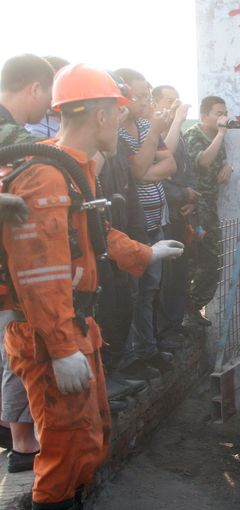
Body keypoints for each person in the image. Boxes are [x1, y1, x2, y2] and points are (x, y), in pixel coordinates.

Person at [2, 63, 184, 510]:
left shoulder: (69, 168)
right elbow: (39, 277)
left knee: (88, 440)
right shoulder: (47, 175)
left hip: (72, 326)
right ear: (102, 115)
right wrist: (63, 349)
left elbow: (95, 233)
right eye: (119, 114)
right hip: (50, 334)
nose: (123, 123)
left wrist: (145, 253)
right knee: (64, 451)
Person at [0, 53, 54, 472]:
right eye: (48, 93)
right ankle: (21, 441)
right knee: (15, 349)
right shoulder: (8, 134)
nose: (50, 105)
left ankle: (11, 429)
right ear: (34, 87)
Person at [113, 68, 177, 380]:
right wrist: (151, 144)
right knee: (132, 293)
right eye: (137, 96)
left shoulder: (144, 125)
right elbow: (136, 171)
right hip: (132, 227)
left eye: (145, 96)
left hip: (156, 221)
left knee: (151, 289)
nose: (142, 102)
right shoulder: (116, 133)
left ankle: (148, 348)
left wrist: (147, 166)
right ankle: (129, 358)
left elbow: (170, 164)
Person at [152, 85, 198, 348]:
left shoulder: (177, 135)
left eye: (176, 100)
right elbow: (153, 176)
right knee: (163, 275)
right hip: (161, 213)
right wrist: (182, 194)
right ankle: (161, 332)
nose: (174, 106)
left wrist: (191, 199)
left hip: (179, 214)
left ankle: (174, 324)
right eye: (168, 101)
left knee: (180, 270)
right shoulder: (153, 134)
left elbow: (187, 170)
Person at [183, 95, 234, 327]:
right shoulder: (194, 135)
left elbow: (216, 161)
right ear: (204, 116)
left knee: (212, 260)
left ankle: (192, 308)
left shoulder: (216, 137)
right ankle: (185, 311)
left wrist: (226, 166)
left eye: (225, 113)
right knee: (197, 258)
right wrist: (222, 134)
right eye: (218, 113)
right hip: (194, 208)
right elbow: (202, 161)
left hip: (208, 206)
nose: (223, 117)